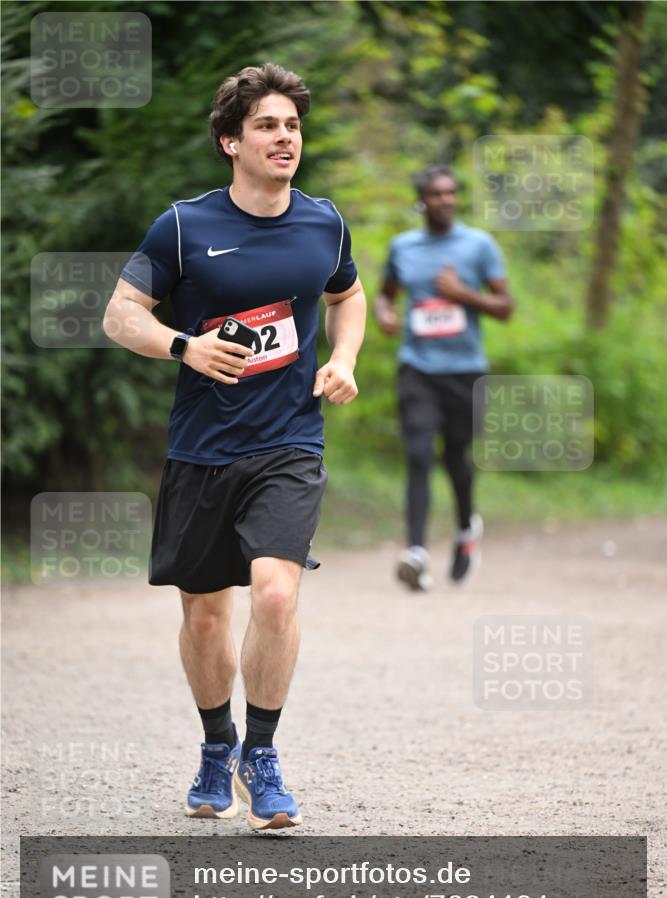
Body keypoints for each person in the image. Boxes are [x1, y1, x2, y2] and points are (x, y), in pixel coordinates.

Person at [103, 63, 366, 830]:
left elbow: (345, 295)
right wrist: (183, 345)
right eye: (267, 126)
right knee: (206, 615)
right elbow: (122, 315)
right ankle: (216, 746)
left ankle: (263, 754)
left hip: (288, 442)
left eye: (291, 125)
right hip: (202, 447)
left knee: (278, 592)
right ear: (230, 142)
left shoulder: (324, 222)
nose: (285, 137)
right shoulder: (183, 226)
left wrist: (343, 360)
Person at [374, 165, 512, 590]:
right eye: (436, 194)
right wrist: (384, 313)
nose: (446, 200)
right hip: (418, 366)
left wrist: (462, 294)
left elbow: (505, 307)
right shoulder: (404, 247)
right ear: (422, 200)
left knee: (457, 457)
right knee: (418, 453)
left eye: (451, 193)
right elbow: (385, 293)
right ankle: (415, 551)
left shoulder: (477, 245)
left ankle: (466, 530)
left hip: (466, 370)